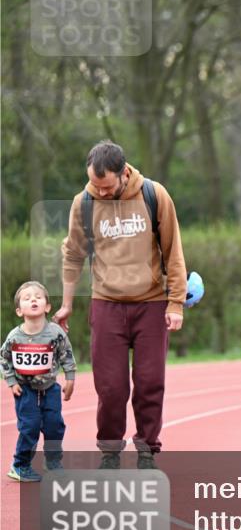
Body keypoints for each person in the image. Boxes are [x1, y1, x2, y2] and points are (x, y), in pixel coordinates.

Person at [57, 140, 187, 470]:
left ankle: (147, 450)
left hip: (151, 304)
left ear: (124, 173)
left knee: (149, 383)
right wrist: (67, 304)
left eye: (106, 186)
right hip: (107, 304)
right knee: (111, 388)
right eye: (94, 184)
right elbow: (73, 255)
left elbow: (173, 252)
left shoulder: (154, 195)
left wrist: (175, 303)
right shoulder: (84, 202)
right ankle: (110, 452)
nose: (99, 191)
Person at [2, 282, 76, 481]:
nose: (33, 300)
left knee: (55, 426)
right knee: (30, 427)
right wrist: (11, 381)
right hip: (25, 390)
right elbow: (4, 359)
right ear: (19, 310)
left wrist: (70, 378)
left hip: (50, 388)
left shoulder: (56, 333)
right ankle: (20, 465)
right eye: (27, 298)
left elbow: (66, 355)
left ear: (47, 306)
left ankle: (52, 461)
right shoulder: (14, 336)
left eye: (38, 297)